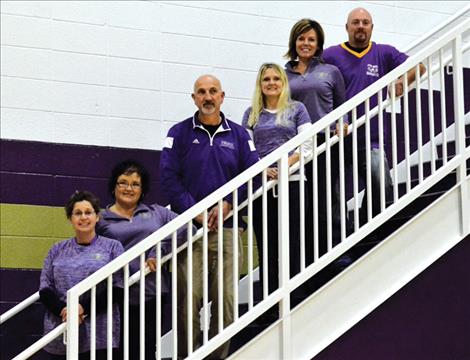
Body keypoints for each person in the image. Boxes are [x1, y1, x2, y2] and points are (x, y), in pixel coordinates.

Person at [159, 74, 260, 359]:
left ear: (222, 96)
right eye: (201, 92)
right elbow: (168, 178)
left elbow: (252, 178)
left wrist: (230, 204)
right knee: (187, 303)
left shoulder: (240, 135)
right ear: (194, 98)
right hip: (189, 232)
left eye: (213, 91)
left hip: (229, 230)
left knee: (227, 302)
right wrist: (197, 212)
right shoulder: (178, 133)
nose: (207, 97)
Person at [323, 7, 426, 226]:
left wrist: (401, 81)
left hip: (371, 137)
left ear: (371, 27)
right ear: (347, 27)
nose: (360, 26)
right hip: (337, 136)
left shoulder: (384, 53)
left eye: (365, 22)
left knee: (381, 185)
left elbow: (420, 67)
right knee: (332, 193)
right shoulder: (330, 55)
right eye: (356, 22)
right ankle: (339, 240)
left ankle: (366, 226)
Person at [96, 159, 186, 360]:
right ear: (114, 186)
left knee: (147, 351)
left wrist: (160, 252)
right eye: (123, 182)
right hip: (117, 296)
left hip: (152, 293)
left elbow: (189, 228)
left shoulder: (157, 212)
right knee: (120, 352)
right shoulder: (100, 219)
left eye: (135, 184)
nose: (129, 188)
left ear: (142, 188)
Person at [242, 63, 312, 296]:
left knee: (291, 241)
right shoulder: (251, 113)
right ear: (260, 85)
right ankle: (270, 299)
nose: (271, 83)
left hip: (292, 183)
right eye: (266, 79)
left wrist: (284, 165)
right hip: (262, 188)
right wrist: (263, 169)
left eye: (276, 79)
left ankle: (292, 294)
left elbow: (308, 145)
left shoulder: (297, 109)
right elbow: (246, 150)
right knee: (267, 245)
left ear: (283, 82)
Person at [284, 18, 347, 257]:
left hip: (323, 144)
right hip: (294, 147)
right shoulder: (283, 74)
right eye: (301, 38)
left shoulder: (330, 72)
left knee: (322, 204)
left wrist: (343, 125)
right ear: (294, 42)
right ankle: (302, 259)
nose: (306, 43)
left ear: (319, 43)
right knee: (301, 205)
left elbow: (342, 108)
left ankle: (325, 256)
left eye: (311, 39)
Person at [39, 191, 124, 359]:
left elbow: (117, 287)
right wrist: (65, 311)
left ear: (97, 217)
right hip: (60, 328)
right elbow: (45, 287)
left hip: (98, 331)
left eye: (88, 212)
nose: (83, 217)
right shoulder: (57, 249)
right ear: (70, 219)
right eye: (78, 213)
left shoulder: (113, 247)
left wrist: (82, 308)